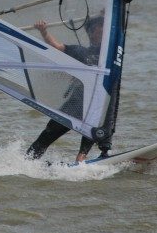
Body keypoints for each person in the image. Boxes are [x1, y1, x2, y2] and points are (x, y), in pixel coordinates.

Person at [25, 14, 107, 163]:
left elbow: (116, 26)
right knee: (47, 134)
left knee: (92, 131)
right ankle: (27, 161)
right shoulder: (81, 52)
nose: (102, 30)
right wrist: (44, 32)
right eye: (98, 28)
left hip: (97, 104)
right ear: (91, 32)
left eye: (103, 27)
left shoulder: (108, 54)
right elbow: (57, 47)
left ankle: (80, 162)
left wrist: (111, 11)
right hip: (76, 103)